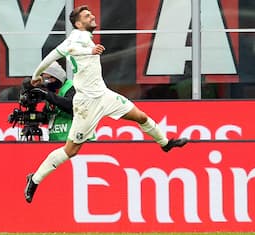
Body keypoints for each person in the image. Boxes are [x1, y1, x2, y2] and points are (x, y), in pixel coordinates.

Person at [25, 5, 188, 203]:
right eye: (86, 15)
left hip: (103, 95)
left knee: (141, 116)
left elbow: (52, 56)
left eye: (90, 14)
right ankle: (34, 179)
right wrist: (90, 50)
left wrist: (35, 75)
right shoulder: (79, 37)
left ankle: (165, 143)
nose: (92, 16)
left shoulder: (75, 39)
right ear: (78, 23)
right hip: (87, 104)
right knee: (71, 150)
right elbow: (75, 49)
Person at [30, 61, 75, 141]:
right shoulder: (51, 93)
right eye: (44, 79)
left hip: (74, 141)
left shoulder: (72, 87)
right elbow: (45, 117)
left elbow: (71, 105)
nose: (46, 82)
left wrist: (47, 95)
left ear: (56, 77)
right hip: (55, 141)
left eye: (47, 79)